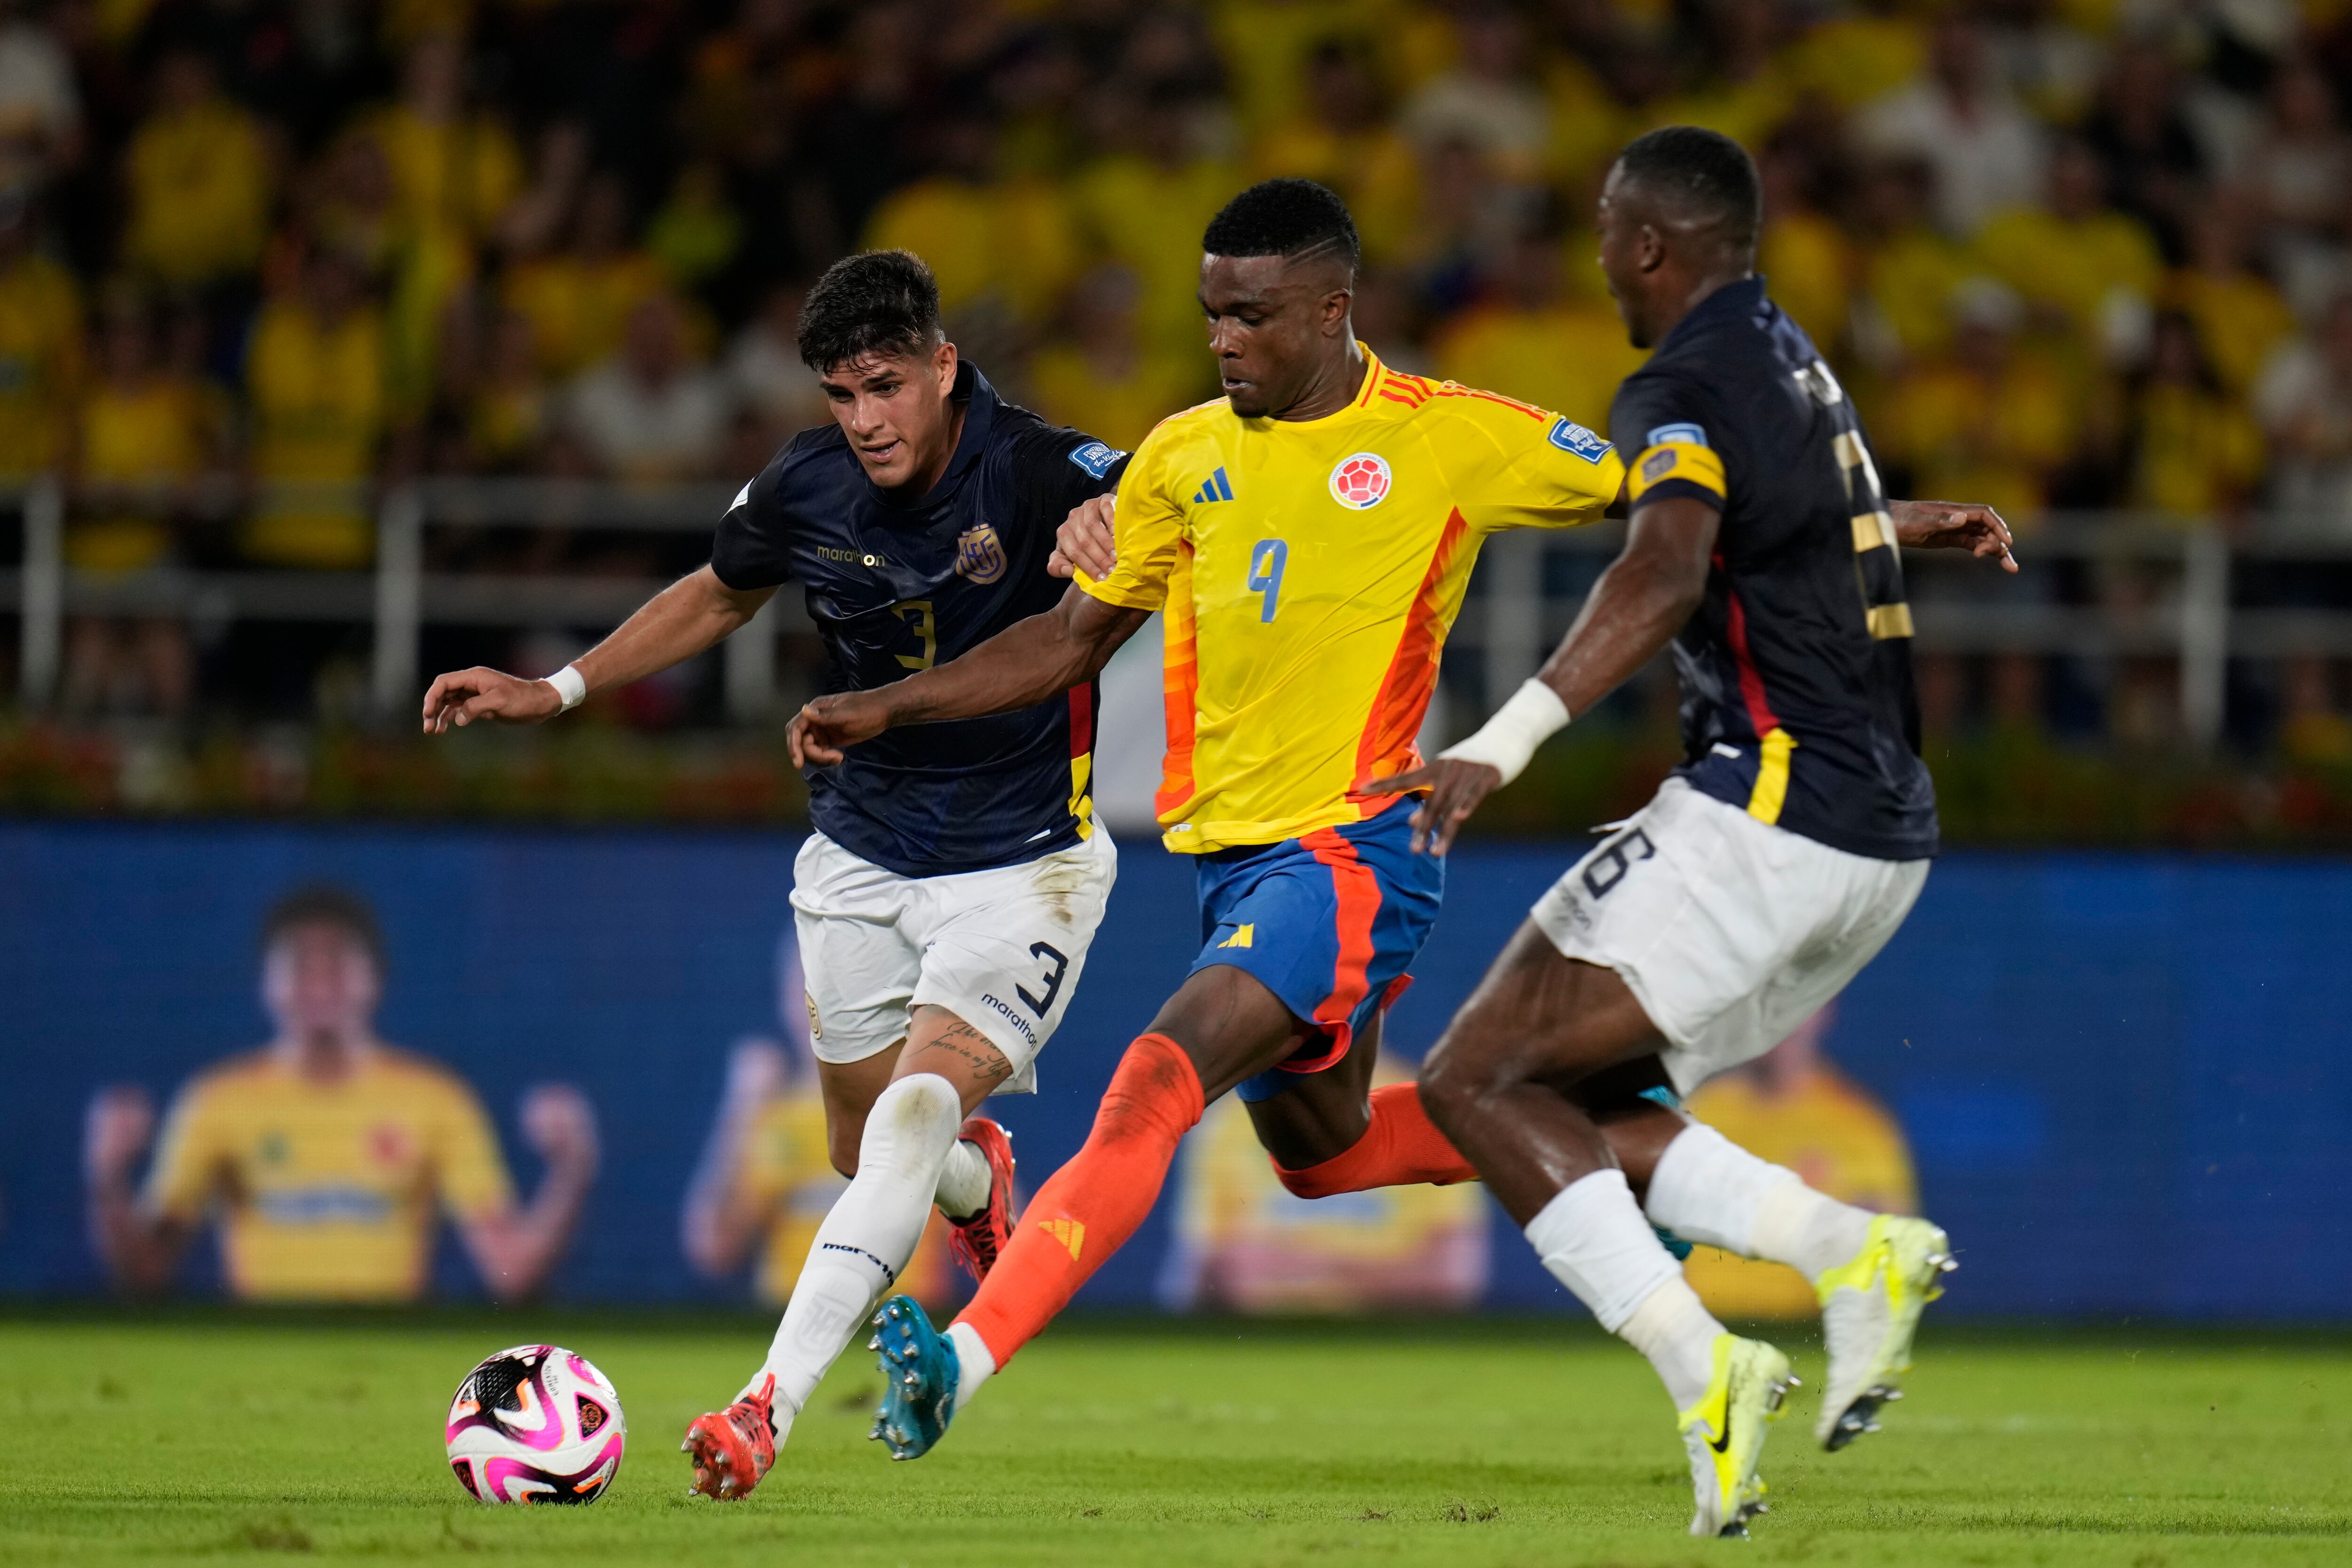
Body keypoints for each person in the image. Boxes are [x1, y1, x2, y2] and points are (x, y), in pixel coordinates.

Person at [787, 179, 1625, 1461]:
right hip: (1237, 860)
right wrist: (888, 707)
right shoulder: (1181, 455)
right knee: (1327, 1157)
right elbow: (1066, 645)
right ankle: (1625, 1132)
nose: (1222, 338)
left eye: (1250, 316)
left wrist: (1872, 527)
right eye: (1209, 314)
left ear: (1334, 308)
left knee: (1152, 1085)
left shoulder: (1447, 436)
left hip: (1353, 849)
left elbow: (1673, 514)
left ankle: (959, 1359)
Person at [1380, 127, 2015, 1536]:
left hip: (1772, 806)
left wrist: (1503, 737)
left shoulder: (1681, 377)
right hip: (1879, 839)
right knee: (1583, 1096)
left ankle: (1707, 1363)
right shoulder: (1789, 355)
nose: (1597, 253)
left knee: (1474, 1078)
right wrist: (1901, 519)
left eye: (1606, 229)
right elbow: (1794, 527)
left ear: (1648, 243)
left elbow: (1663, 566)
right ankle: (1849, 1254)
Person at [416, 249, 1128, 1501]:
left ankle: (764, 1408)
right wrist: (557, 687)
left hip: (1026, 866)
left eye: (888, 385)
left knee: (911, 1111)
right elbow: (717, 591)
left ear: (943, 366)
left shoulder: (1032, 466)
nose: (866, 417)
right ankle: (979, 1172)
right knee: (880, 1152)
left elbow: (1172, 495)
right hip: (857, 855)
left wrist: (1132, 511)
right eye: (842, 392)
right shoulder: (806, 484)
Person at [82, 885, 597, 1303]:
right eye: (301, 965)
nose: (320, 982)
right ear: (267, 984)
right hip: (256, 1349)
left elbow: (513, 1271)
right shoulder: (218, 1100)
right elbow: (145, 1272)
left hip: (395, 1348)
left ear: (375, 980)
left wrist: (570, 1172)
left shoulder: (436, 1099)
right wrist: (107, 1177)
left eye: (338, 964)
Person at [682, 938, 958, 1316]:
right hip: (788, 1330)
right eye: (810, 984)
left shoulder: (924, 1108)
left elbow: (1000, 1248)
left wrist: (968, 1138)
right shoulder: (770, 1114)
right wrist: (740, 1109)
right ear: (787, 997)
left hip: (901, 1331)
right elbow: (714, 1249)